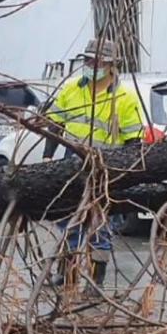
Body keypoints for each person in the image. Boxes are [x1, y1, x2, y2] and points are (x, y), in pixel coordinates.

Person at [42, 38, 146, 295]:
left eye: (97, 61)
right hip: (72, 167)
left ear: (111, 65)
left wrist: (123, 175)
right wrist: (47, 157)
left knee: (100, 228)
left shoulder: (124, 98)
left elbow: (134, 142)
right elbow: (55, 125)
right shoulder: (71, 90)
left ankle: (96, 282)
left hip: (106, 169)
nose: (91, 65)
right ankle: (67, 275)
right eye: (88, 60)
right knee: (69, 222)